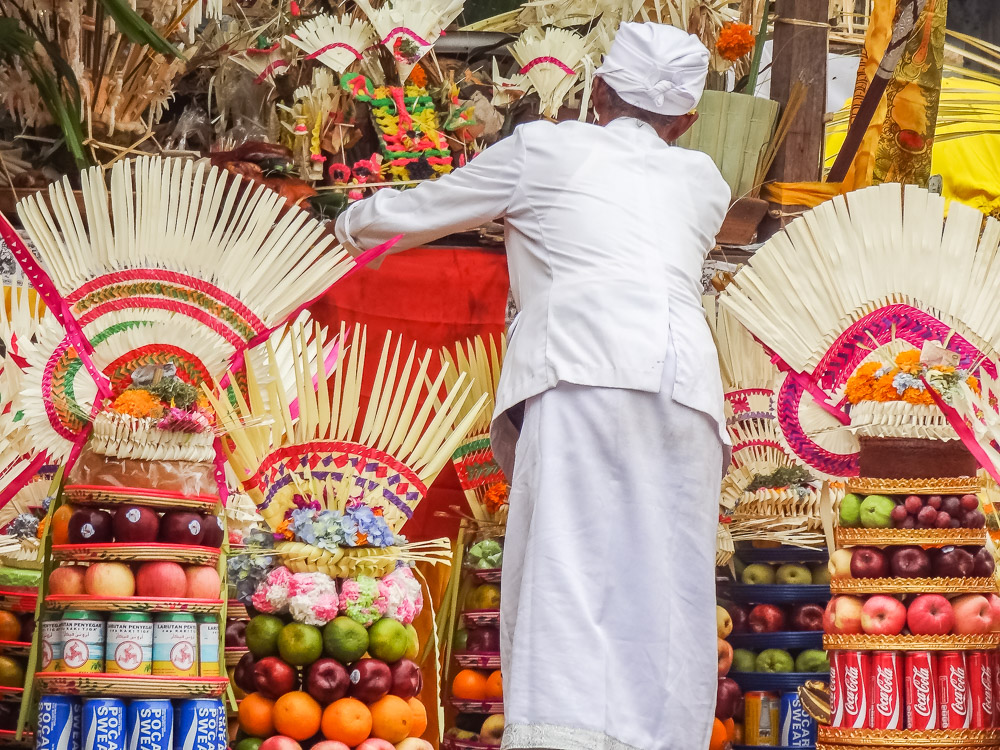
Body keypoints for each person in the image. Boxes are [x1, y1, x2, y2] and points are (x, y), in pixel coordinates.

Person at [335, 22, 731, 750]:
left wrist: (345, 223)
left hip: (583, 372)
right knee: (666, 586)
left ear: (598, 91)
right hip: (688, 393)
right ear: (686, 119)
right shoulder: (704, 181)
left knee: (567, 572)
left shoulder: (544, 148)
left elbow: (413, 216)